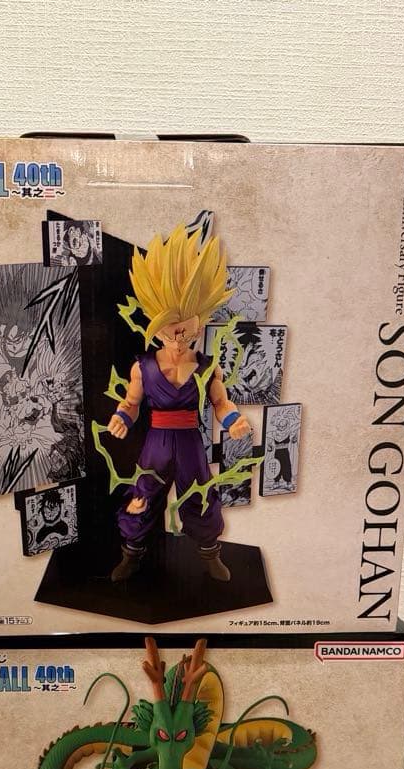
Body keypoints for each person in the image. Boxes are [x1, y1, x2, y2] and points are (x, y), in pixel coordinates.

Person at [108, 225, 252, 582]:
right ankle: (131, 554)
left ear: (199, 323)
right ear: (155, 324)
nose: (178, 337)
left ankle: (209, 554)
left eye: (186, 329)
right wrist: (121, 417)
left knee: (201, 497)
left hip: (190, 441)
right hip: (156, 441)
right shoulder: (143, 366)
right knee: (142, 497)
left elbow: (220, 402)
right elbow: (131, 402)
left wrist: (233, 420)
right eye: (171, 329)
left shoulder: (207, 366)